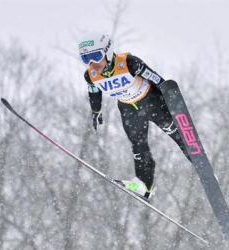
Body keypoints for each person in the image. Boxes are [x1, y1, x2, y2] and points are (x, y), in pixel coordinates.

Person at [78, 32, 190, 200]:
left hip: (151, 101)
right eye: (86, 59)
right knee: (138, 146)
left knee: (177, 134)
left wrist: (170, 96)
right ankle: (145, 185)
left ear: (107, 52)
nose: (92, 63)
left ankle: (202, 166)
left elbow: (156, 79)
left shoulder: (129, 63)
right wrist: (96, 111)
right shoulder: (91, 76)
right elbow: (94, 93)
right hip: (128, 109)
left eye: (95, 56)